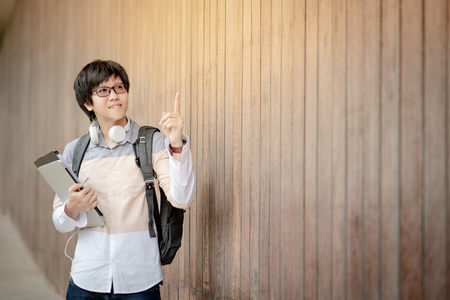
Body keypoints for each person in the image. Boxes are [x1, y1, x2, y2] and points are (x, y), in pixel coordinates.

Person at [52, 60, 195, 299]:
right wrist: (71, 208)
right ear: (88, 103)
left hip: (139, 281)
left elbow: (182, 199)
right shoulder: (74, 151)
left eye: (119, 87)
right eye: (103, 90)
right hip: (86, 280)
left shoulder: (153, 142)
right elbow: (60, 222)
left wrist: (177, 145)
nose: (114, 96)